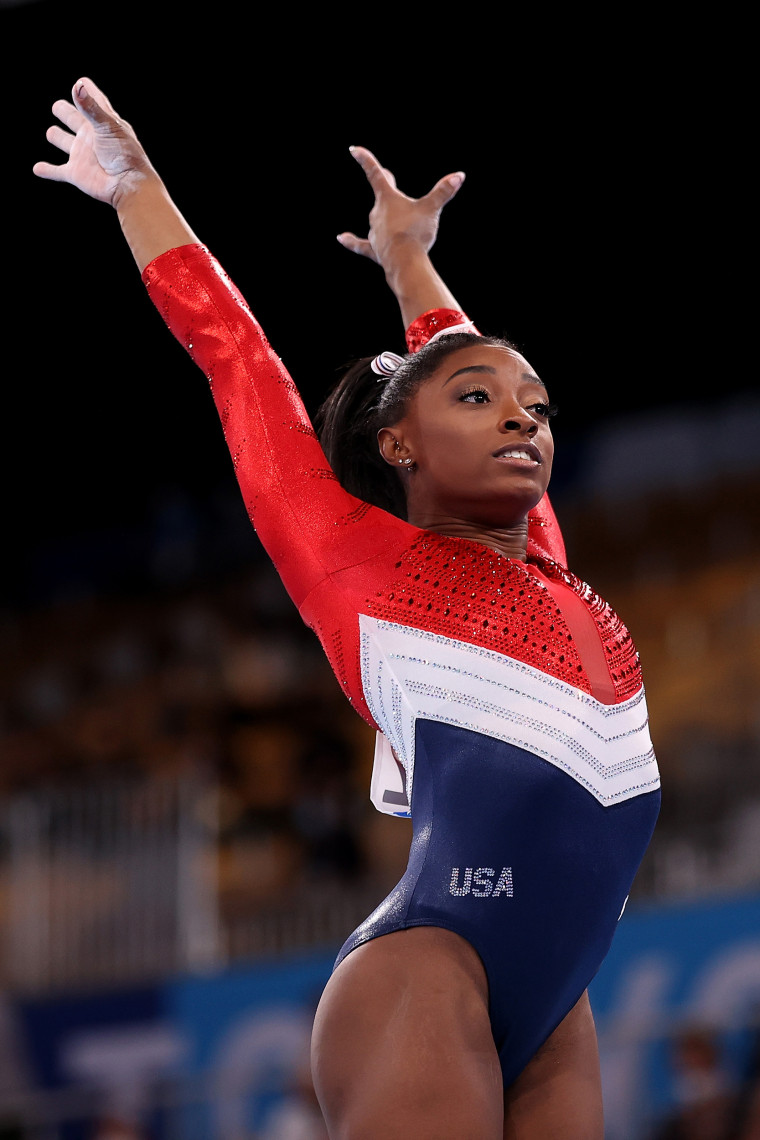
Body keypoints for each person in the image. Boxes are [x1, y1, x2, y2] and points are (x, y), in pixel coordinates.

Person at [34, 78, 661, 1140]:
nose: (523, 420)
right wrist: (139, 192)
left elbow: (462, 366)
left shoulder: (544, 562)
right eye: (480, 402)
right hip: (428, 967)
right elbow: (238, 363)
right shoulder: (354, 565)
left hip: (562, 1000)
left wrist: (409, 260)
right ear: (398, 445)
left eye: (536, 408)